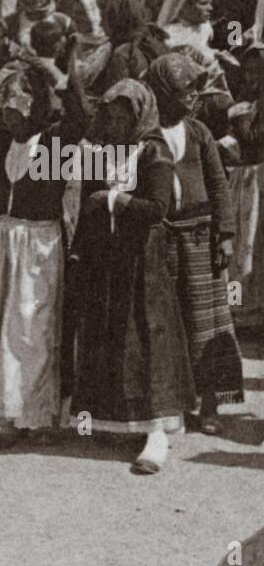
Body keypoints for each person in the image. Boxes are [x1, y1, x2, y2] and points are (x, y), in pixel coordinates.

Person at [0, 33, 91, 446]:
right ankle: (10, 418)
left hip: (38, 246)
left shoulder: (54, 143)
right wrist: (1, 58)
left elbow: (82, 115)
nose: (10, 119)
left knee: (33, 330)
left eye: (18, 112)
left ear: (36, 109)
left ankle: (43, 416)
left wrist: (59, 70)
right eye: (5, 111)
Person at [64, 79, 195, 474]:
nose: (118, 126)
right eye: (112, 118)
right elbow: (86, 209)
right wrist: (78, 252)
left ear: (140, 117)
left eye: (126, 119)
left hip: (143, 261)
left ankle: (156, 432)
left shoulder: (153, 151)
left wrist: (113, 200)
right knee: (112, 334)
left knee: (147, 335)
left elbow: (157, 208)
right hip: (106, 259)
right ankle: (115, 420)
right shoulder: (101, 152)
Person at [145, 52, 243, 433]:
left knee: (207, 321)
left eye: (194, 90)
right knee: (170, 322)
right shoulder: (146, 135)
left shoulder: (199, 132)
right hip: (161, 239)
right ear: (163, 91)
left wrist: (227, 235)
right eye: (185, 90)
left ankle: (211, 405)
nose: (192, 96)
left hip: (201, 237)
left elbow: (218, 184)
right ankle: (175, 402)